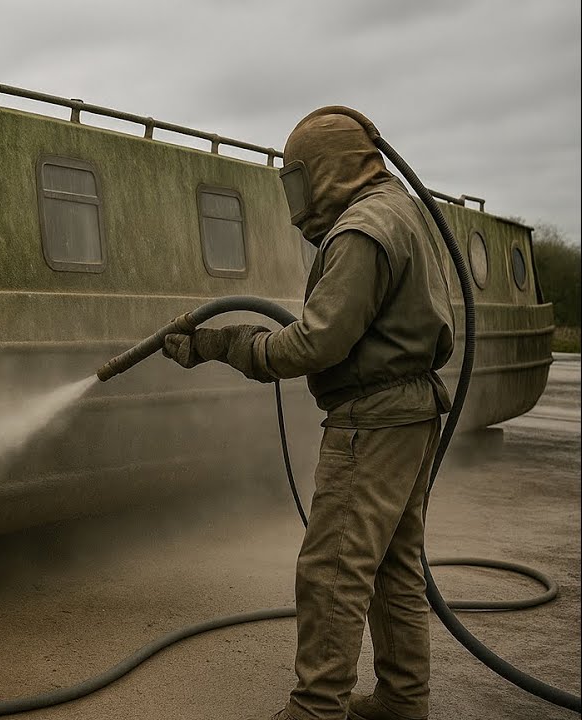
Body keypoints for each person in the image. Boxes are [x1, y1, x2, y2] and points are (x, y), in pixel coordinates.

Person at [161, 108, 455, 720]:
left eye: (300, 181)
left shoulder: (360, 229)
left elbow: (316, 344)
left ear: (329, 172)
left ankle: (316, 709)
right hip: (411, 409)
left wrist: (224, 344)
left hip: (372, 420)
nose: (299, 201)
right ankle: (403, 702)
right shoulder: (397, 211)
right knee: (395, 566)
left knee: (334, 571)